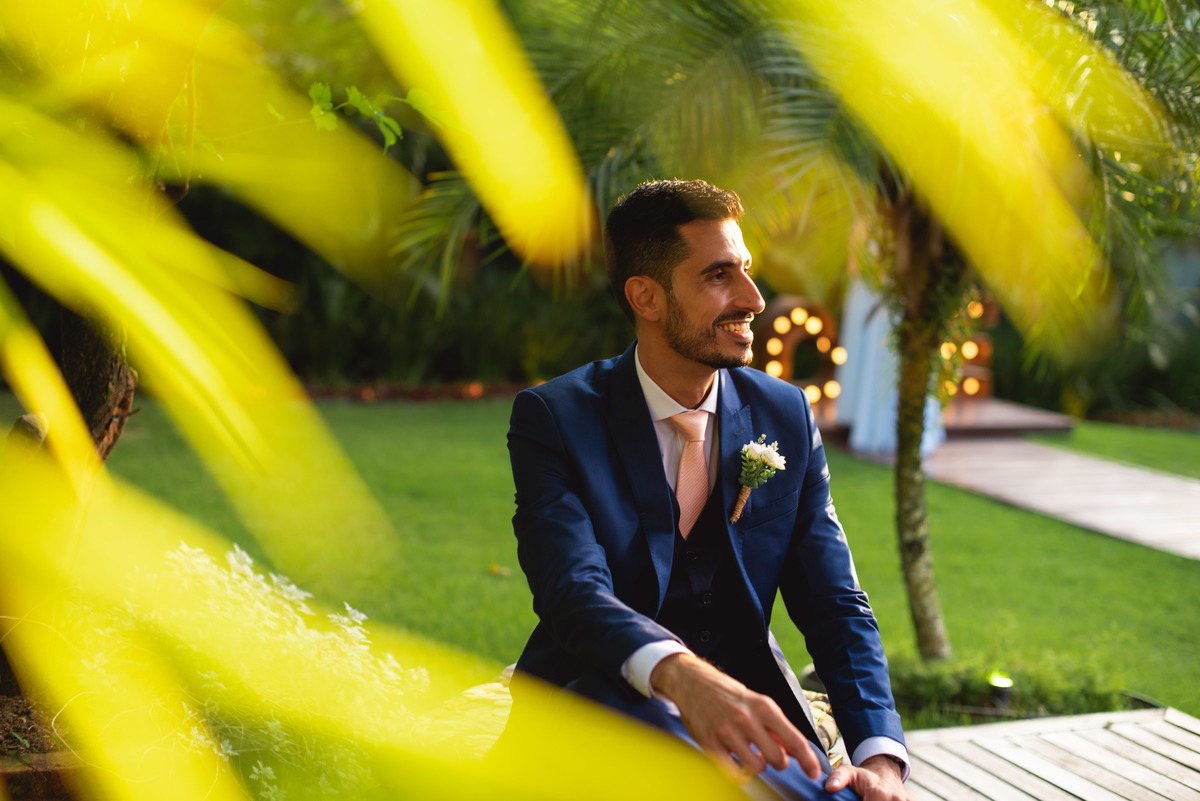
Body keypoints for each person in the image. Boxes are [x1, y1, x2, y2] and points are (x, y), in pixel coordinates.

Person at [503, 179, 910, 801]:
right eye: (719, 275)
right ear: (646, 297)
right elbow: (573, 594)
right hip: (596, 705)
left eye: (747, 270)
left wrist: (879, 757)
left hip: (753, 725)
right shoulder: (557, 419)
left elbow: (835, 603)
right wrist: (682, 676)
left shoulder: (786, 415)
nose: (753, 297)